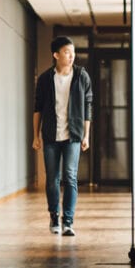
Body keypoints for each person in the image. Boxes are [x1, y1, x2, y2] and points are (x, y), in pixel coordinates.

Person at [32, 36, 93, 236]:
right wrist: (36, 136)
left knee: (70, 177)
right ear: (56, 55)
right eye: (67, 52)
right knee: (52, 179)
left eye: (73, 52)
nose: (71, 55)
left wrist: (86, 135)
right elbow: (37, 109)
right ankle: (53, 216)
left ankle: (68, 221)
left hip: (73, 135)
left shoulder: (81, 76)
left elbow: (88, 107)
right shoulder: (45, 79)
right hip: (50, 135)